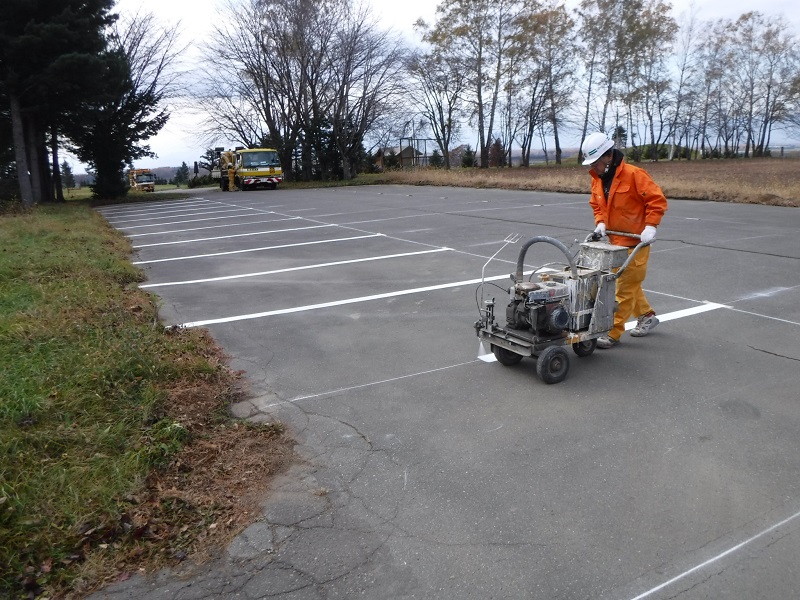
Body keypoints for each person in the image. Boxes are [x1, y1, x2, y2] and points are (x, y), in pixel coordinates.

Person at [581, 132, 668, 349]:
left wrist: (651, 226)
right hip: (615, 242)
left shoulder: (634, 175)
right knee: (628, 283)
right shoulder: (597, 179)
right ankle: (647, 315)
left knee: (622, 289)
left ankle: (612, 332)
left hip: (637, 242)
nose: (593, 168)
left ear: (607, 157)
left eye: (595, 163)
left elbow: (657, 200)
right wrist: (601, 223)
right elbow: (597, 205)